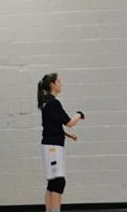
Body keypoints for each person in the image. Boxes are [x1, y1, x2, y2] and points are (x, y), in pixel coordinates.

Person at [37, 73, 85, 212]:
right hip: (53, 147)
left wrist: (68, 136)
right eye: (58, 81)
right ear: (52, 84)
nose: (61, 83)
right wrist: (79, 114)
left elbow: (52, 125)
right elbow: (69, 122)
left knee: (53, 182)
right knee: (58, 182)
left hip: (49, 145)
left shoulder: (47, 102)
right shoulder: (53, 103)